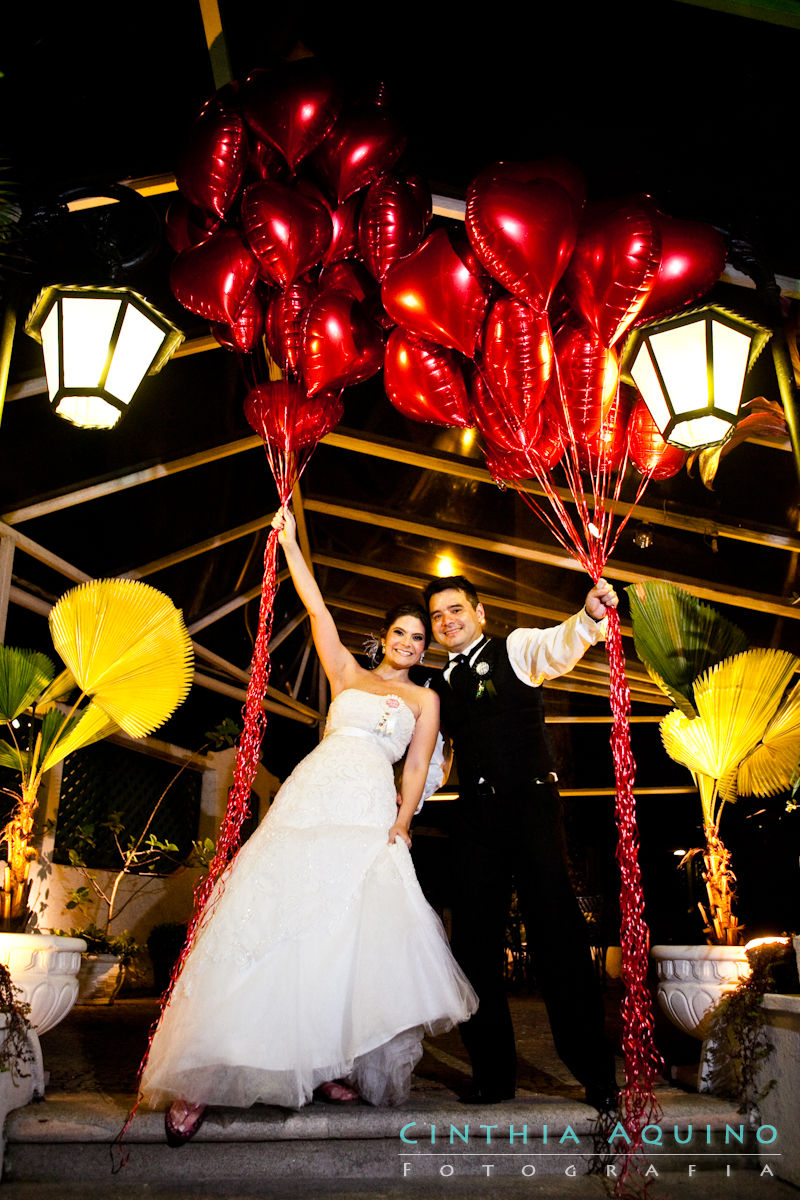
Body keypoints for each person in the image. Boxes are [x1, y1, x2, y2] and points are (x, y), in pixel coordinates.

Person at [141, 510, 477, 1144]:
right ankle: (201, 1079)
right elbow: (317, 608)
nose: (409, 643)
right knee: (269, 918)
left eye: (418, 638)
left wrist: (403, 825)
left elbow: (413, 770)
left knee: (344, 936)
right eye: (400, 633)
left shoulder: (424, 700)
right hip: (312, 798)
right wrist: (290, 543)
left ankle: (325, 1063)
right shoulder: (346, 674)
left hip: (369, 812)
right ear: (383, 638)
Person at [423, 573, 619, 1111]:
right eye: (438, 616)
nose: (448, 621)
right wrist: (396, 806)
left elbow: (562, 644)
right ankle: (493, 1074)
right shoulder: (437, 687)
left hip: (532, 808)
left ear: (479, 612)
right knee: (473, 946)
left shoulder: (516, 647)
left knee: (557, 934)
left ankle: (595, 1072)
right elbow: (435, 763)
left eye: (456, 609)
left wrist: (590, 618)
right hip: (476, 818)